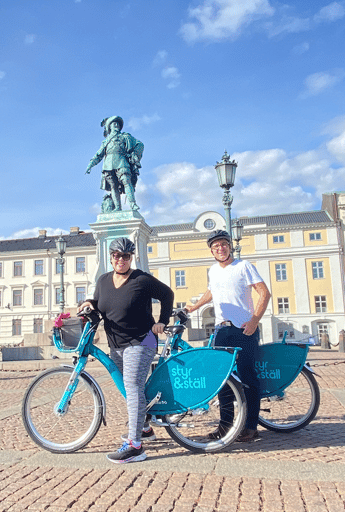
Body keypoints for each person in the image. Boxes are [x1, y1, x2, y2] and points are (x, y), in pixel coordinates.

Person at [79, 237, 173, 463]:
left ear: (131, 258)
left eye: (126, 256)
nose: (121, 260)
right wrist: (89, 303)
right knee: (131, 389)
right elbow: (101, 303)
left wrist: (162, 321)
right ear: (111, 257)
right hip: (116, 345)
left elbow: (167, 294)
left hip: (141, 341)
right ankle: (145, 428)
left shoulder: (141, 279)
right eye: (117, 256)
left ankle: (135, 446)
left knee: (131, 388)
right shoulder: (103, 281)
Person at [185, 229, 271, 442]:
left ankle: (251, 427)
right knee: (221, 379)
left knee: (248, 377)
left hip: (244, 329)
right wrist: (195, 306)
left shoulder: (243, 266)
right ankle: (225, 426)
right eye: (215, 246)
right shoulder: (213, 270)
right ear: (211, 251)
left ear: (229, 246)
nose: (220, 248)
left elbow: (264, 293)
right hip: (221, 330)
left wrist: (254, 320)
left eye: (223, 244)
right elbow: (212, 291)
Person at [85, 116, 144, 212]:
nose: (116, 125)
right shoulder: (105, 141)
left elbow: (139, 144)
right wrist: (90, 165)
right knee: (113, 186)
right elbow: (99, 155)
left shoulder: (125, 136)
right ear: (109, 127)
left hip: (121, 161)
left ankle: (132, 204)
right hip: (108, 165)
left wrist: (134, 155)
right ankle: (117, 207)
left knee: (126, 181)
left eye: (118, 123)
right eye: (114, 123)